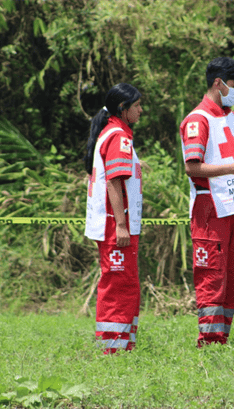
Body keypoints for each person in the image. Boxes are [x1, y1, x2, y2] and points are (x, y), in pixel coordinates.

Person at [180, 57, 234, 347]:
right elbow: (193, 167)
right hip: (210, 207)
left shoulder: (232, 117)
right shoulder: (197, 120)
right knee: (212, 274)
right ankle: (209, 339)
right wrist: (232, 169)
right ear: (218, 83)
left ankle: (223, 337)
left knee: (232, 275)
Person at [84, 83, 144, 354]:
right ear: (123, 108)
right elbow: (114, 182)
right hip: (114, 224)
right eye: (137, 105)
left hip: (116, 223)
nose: (141, 110)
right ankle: (112, 349)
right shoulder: (118, 136)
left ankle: (123, 345)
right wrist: (121, 224)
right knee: (118, 284)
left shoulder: (113, 133)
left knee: (127, 283)